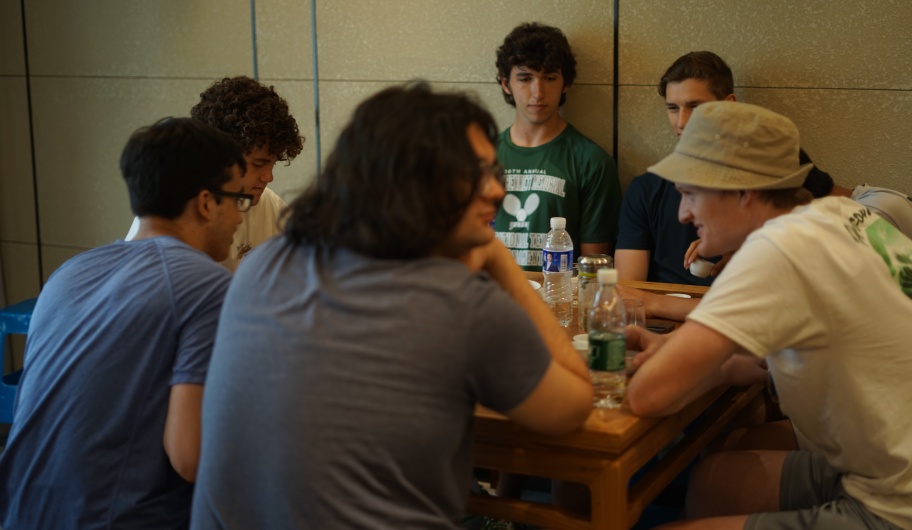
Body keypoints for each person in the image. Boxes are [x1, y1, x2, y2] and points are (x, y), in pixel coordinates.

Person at [189, 83, 594, 528]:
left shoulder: (264, 262)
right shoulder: (461, 303)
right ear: (415, 185)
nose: (497, 190)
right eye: (478, 174)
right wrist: (498, 258)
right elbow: (574, 407)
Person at [625, 101, 912, 529]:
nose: (683, 213)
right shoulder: (842, 213)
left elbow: (647, 395)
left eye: (690, 193)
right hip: (911, 464)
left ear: (742, 192)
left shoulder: (778, 248)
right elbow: (769, 361)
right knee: (711, 482)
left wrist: (666, 364)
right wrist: (680, 352)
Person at [0, 117, 247, 529]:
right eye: (239, 200)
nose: (241, 218)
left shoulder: (69, 272)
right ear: (206, 203)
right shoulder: (209, 286)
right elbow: (191, 457)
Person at [615, 51, 830, 285]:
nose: (682, 122)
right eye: (673, 108)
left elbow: (851, 205)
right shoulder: (646, 188)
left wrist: (750, 242)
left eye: (695, 107)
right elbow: (627, 290)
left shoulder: (771, 166)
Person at [126, 75, 305, 271]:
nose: (268, 177)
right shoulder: (169, 217)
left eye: (272, 164)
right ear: (220, 157)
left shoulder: (272, 206)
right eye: (258, 164)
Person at [492, 22, 621, 271]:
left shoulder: (592, 162)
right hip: (486, 291)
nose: (538, 92)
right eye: (525, 78)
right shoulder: (480, 156)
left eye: (549, 78)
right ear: (506, 84)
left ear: (566, 83)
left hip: (556, 293)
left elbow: (592, 270)